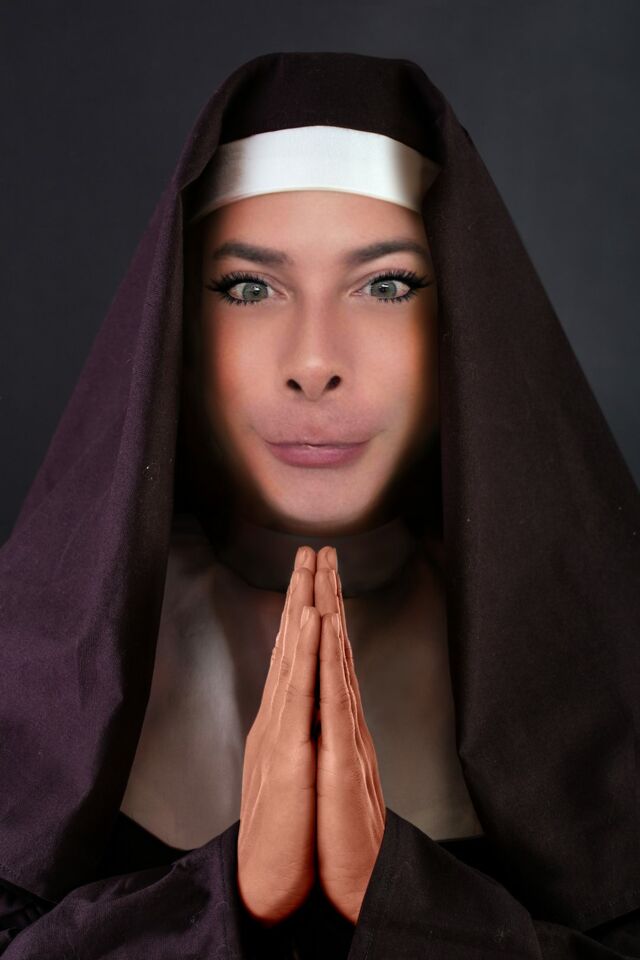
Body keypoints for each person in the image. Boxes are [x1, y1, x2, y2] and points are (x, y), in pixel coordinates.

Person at [0, 50, 638, 959]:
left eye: (386, 285)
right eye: (250, 287)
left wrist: (401, 899)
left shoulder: (611, 662)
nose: (313, 361)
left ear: (465, 319)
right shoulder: (29, 660)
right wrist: (226, 898)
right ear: (180, 328)